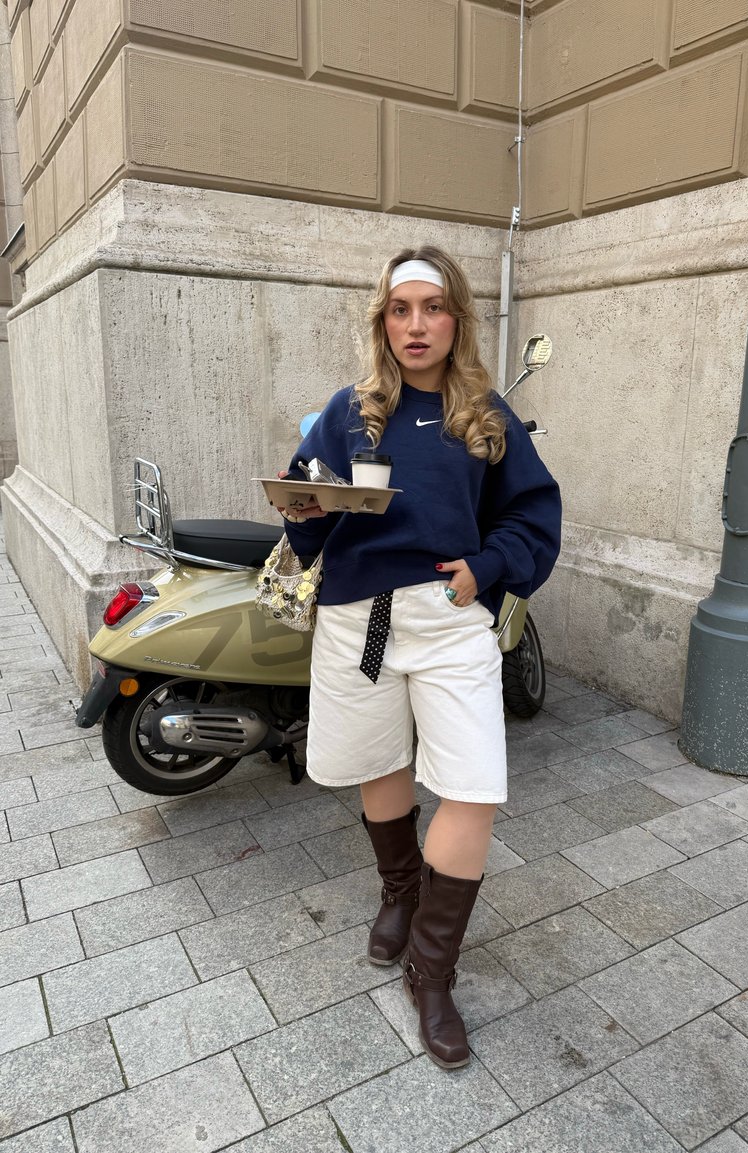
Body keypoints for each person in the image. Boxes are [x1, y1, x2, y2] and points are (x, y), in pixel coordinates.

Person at [277, 245, 561, 1069]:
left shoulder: (486, 414)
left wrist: (488, 567)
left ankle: (431, 975)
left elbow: (533, 515)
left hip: (448, 618)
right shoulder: (349, 410)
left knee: (474, 785)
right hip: (358, 617)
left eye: (430, 307)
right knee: (380, 764)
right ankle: (400, 893)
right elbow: (312, 521)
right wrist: (302, 508)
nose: (415, 324)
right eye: (399, 310)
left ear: (457, 317)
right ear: (383, 321)